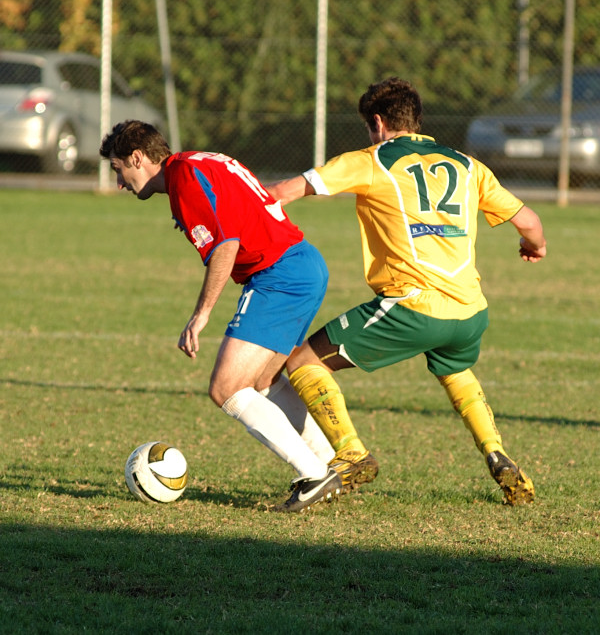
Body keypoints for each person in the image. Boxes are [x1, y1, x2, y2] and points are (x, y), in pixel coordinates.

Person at [265, 76, 547, 510]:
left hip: (411, 306)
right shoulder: (466, 164)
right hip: (470, 311)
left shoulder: (373, 159)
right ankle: (497, 453)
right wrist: (534, 246)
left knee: (302, 361)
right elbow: (528, 220)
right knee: (455, 371)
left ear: (377, 122)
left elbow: (283, 193)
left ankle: (351, 454)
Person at [99, 120, 339, 512]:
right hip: (303, 264)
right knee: (263, 382)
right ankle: (329, 462)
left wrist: (201, 314)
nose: (120, 183)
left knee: (226, 388)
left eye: (118, 170)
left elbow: (226, 243)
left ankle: (313, 474)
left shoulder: (185, 177)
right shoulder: (197, 162)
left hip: (279, 275)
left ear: (137, 157)